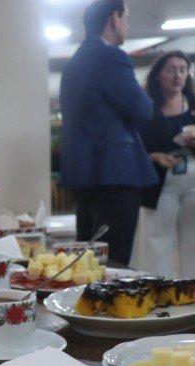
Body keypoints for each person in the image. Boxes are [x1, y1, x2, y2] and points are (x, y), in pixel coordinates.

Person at [59, 0, 157, 265]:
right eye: (127, 17)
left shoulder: (74, 62)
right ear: (114, 18)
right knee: (113, 262)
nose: (128, 23)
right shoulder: (110, 56)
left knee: (88, 261)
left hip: (84, 174)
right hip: (115, 173)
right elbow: (142, 110)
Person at [129, 52, 195, 277]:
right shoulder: (146, 108)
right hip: (159, 182)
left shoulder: (193, 104)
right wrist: (154, 156)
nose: (178, 75)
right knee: (156, 241)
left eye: (183, 69)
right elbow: (135, 146)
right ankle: (157, 295)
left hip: (193, 181)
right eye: (171, 69)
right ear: (158, 75)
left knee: (193, 241)